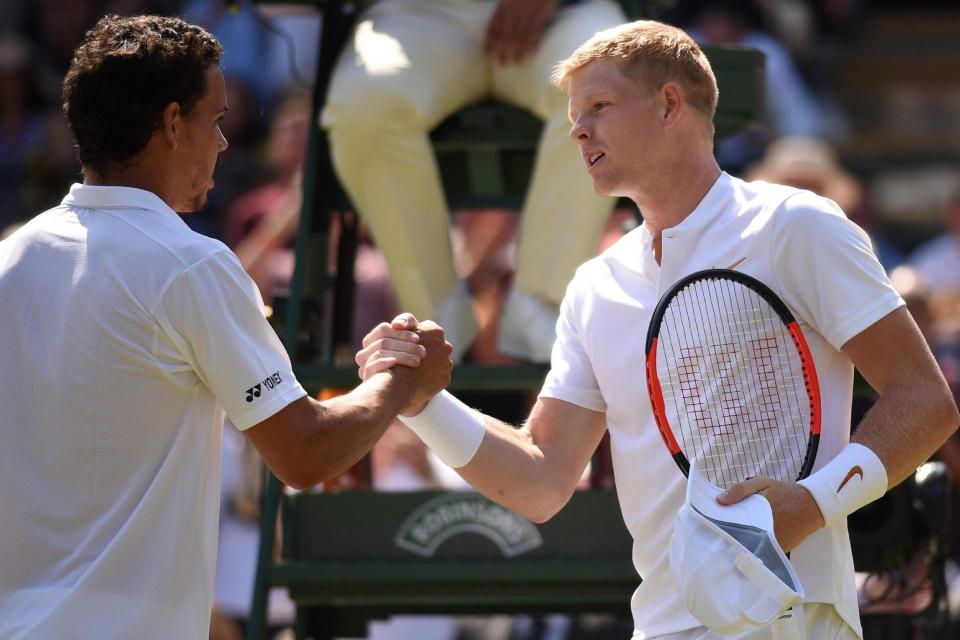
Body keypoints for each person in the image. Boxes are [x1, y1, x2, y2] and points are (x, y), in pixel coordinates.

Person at [357, 20, 960, 639]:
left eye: (600, 105)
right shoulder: (594, 287)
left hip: (794, 620)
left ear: (671, 103)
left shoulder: (794, 225)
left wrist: (811, 506)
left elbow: (925, 401)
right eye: (574, 115)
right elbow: (540, 481)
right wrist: (424, 404)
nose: (578, 129)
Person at [0, 15, 451, 639]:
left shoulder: (10, 261)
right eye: (213, 120)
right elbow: (305, 453)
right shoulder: (190, 263)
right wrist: (400, 380)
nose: (222, 142)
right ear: (170, 123)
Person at [321, 0, 626, 363]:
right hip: (417, 15)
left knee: (608, 84)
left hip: (565, 12)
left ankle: (542, 306)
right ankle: (434, 321)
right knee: (362, 107)